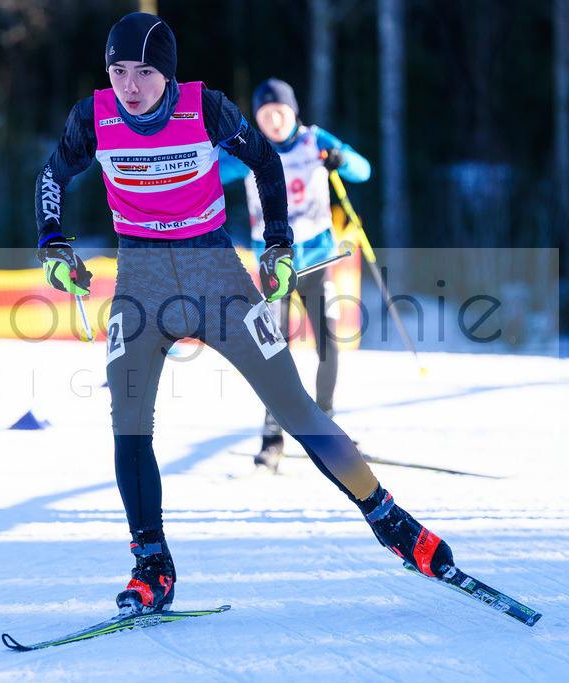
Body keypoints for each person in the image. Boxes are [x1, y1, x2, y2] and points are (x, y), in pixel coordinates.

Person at [33, 12, 455, 616]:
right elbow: (52, 173)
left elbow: (267, 161)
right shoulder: (92, 118)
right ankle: (152, 563)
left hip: (216, 277)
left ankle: (392, 523)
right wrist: (53, 242)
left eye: (145, 72)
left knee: (294, 405)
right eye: (118, 70)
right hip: (141, 282)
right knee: (128, 420)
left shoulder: (206, 109)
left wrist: (279, 244)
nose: (130, 86)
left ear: (169, 74)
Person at [218, 78, 371, 471]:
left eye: (280, 114)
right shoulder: (251, 148)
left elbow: (363, 170)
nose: (273, 122)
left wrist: (340, 159)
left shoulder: (314, 140)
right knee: (273, 351)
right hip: (273, 270)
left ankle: (326, 426)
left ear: (293, 112)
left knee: (329, 344)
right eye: (265, 116)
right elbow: (211, 174)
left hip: (318, 263)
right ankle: (273, 436)